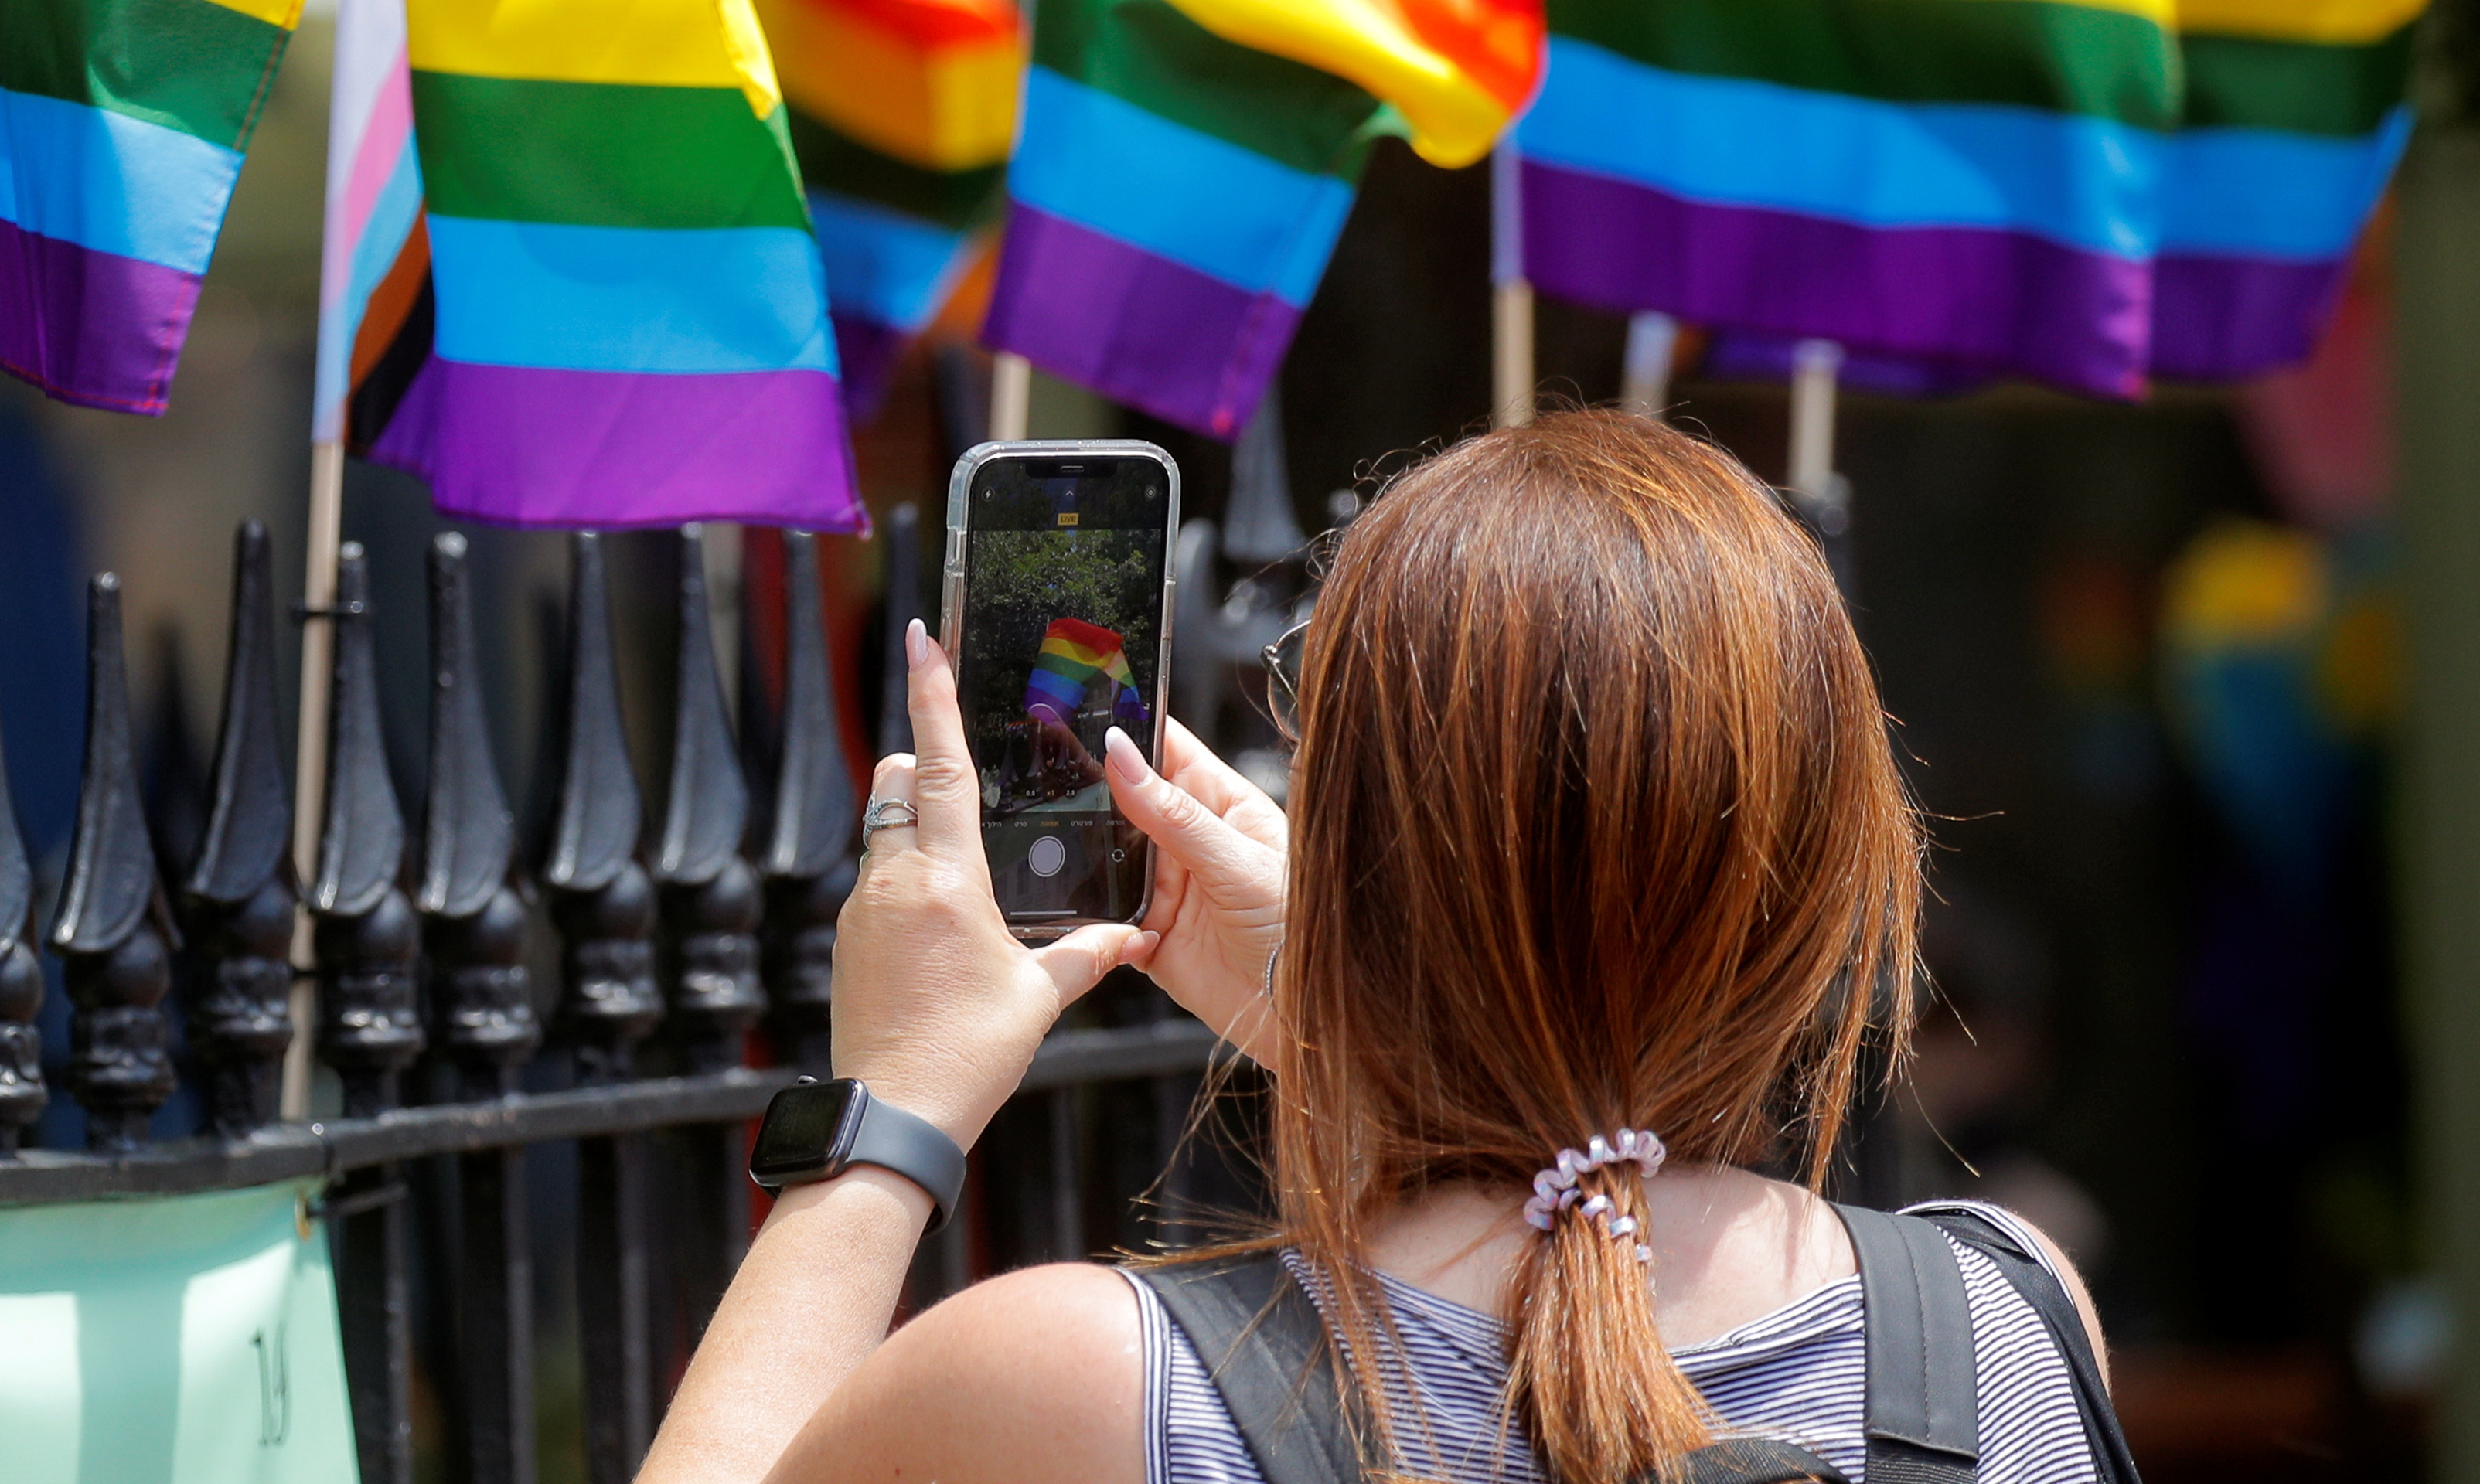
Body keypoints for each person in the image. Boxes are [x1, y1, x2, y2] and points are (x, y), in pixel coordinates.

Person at [639, 409, 2124, 1484]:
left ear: (1344, 840)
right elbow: (1558, 1253)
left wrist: (889, 1108)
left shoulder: (1086, 1390)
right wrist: (1399, 1060)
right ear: (1827, 896)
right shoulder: (2002, 1331)